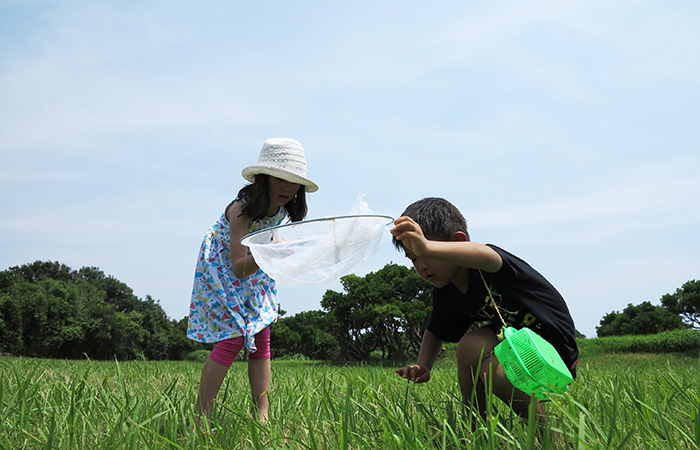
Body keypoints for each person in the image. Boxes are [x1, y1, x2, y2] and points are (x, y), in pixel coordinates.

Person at [391, 197, 578, 422]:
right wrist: (423, 365)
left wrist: (428, 246)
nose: (421, 266)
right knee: (470, 346)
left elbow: (486, 254)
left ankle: (547, 435)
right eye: (413, 259)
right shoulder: (447, 289)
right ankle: (477, 428)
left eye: (428, 255)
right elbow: (437, 330)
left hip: (552, 354)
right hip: (515, 346)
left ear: (458, 242)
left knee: (494, 372)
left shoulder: (487, 264)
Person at [187, 138, 318, 426]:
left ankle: (262, 416)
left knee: (260, 336)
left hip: (255, 265)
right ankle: (201, 418)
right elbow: (237, 266)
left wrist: (274, 243)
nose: (287, 187)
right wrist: (271, 252)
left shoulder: (282, 210)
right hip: (223, 269)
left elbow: (263, 239)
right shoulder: (241, 209)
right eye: (279, 178)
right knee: (233, 338)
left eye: (293, 181)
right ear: (263, 178)